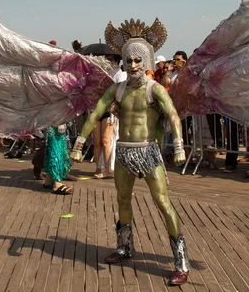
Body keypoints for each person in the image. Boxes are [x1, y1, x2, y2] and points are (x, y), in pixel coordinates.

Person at [71, 18, 190, 286]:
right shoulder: (118, 89)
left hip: (148, 152)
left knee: (162, 203)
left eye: (138, 61)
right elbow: (96, 114)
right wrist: (79, 143)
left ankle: (180, 260)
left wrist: (179, 146)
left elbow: (173, 115)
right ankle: (125, 247)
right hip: (124, 152)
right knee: (123, 200)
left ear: (147, 63)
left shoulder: (155, 88)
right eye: (129, 61)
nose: (134, 66)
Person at [42, 124, 74, 194]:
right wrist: (60, 122)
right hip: (56, 121)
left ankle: (48, 180)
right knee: (56, 150)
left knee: (54, 148)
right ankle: (57, 184)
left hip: (53, 121)